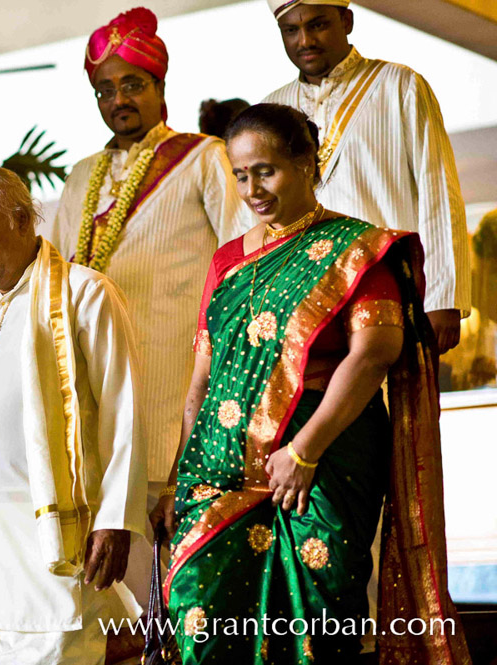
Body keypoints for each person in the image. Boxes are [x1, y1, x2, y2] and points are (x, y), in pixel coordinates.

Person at [152, 103, 469, 664]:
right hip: (219, 469)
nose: (253, 189)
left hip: (321, 458)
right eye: (241, 174)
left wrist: (304, 450)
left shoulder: (355, 249)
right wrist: (181, 473)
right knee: (202, 613)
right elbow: (202, 377)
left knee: (318, 620)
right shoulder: (227, 261)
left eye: (266, 170)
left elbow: (375, 353)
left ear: (306, 163)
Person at [49, 10, 252, 598]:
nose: (119, 99)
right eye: (104, 90)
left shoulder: (202, 157)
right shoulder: (80, 174)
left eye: (132, 84)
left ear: (161, 86)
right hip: (92, 398)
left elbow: (245, 264)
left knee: (170, 590)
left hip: (172, 398)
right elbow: (56, 276)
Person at [0, 168, 146, 665]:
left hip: (46, 551)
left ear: (23, 219)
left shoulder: (85, 293)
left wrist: (115, 520)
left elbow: (123, 411)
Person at [261, 0, 470, 354]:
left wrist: (443, 297)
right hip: (302, 301)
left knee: (395, 406)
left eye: (318, 24)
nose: (305, 40)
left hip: (393, 290)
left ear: (347, 20)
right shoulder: (271, 109)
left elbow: (438, 188)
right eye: (291, 30)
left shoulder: (400, 85)